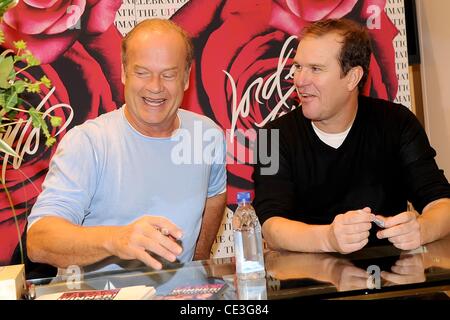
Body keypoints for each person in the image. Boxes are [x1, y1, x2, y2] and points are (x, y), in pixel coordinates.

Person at [26, 19, 227, 270]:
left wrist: (198, 266)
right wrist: (116, 239)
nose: (155, 87)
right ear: (124, 73)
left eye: (168, 74)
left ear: (185, 78)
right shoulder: (88, 142)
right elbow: (39, 240)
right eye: (142, 72)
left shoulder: (207, 135)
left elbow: (215, 195)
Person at [253, 19, 450, 254]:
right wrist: (328, 238)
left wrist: (421, 229)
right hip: (307, 283)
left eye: (315, 69)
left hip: (391, 282)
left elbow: (442, 203)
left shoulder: (398, 122)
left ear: (352, 77)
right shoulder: (271, 137)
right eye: (298, 67)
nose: (299, 80)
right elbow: (272, 227)